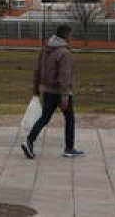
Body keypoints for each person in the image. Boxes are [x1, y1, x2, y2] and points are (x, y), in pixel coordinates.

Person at [21, 25, 83, 159]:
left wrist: (36, 88)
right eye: (70, 35)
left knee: (44, 118)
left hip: (47, 90)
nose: (71, 38)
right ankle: (69, 148)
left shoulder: (45, 49)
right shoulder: (64, 53)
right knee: (70, 118)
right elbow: (64, 75)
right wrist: (65, 95)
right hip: (60, 91)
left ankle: (29, 140)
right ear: (66, 35)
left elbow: (38, 69)